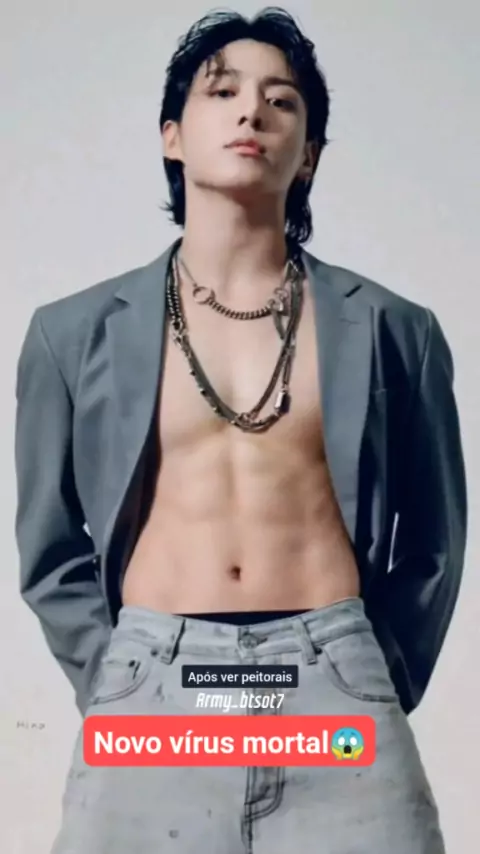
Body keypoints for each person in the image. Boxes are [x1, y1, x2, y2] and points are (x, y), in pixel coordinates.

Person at [14, 7, 467, 854]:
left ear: (311, 154)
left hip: (332, 690)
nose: (252, 111)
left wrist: (377, 674)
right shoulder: (69, 334)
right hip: (155, 693)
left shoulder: (395, 330)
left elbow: (435, 540)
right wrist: (117, 681)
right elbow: (48, 545)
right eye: (222, 92)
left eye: (281, 100)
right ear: (173, 135)